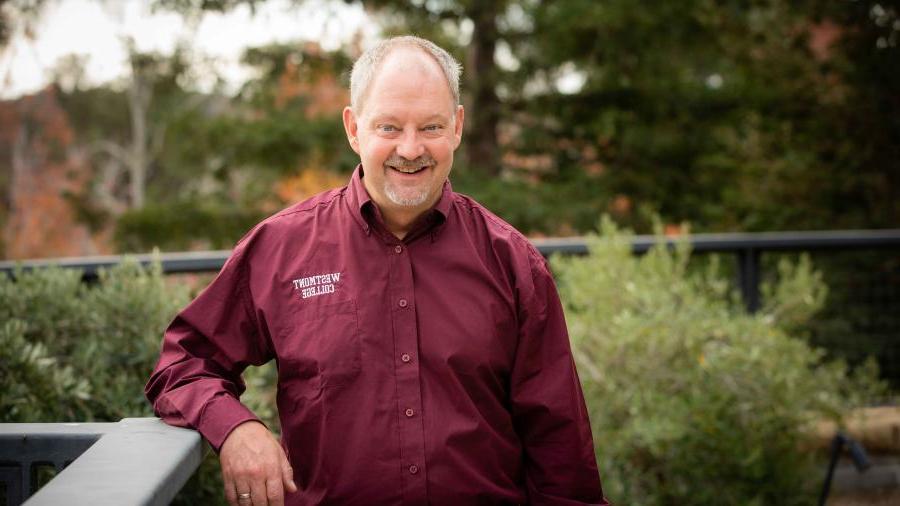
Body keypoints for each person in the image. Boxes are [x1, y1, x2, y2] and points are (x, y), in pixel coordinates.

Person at [145, 35, 608, 506]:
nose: (410, 149)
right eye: (389, 127)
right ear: (353, 128)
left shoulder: (513, 263)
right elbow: (183, 364)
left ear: (458, 128)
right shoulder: (281, 249)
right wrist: (236, 428)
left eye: (430, 126)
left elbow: (559, 446)